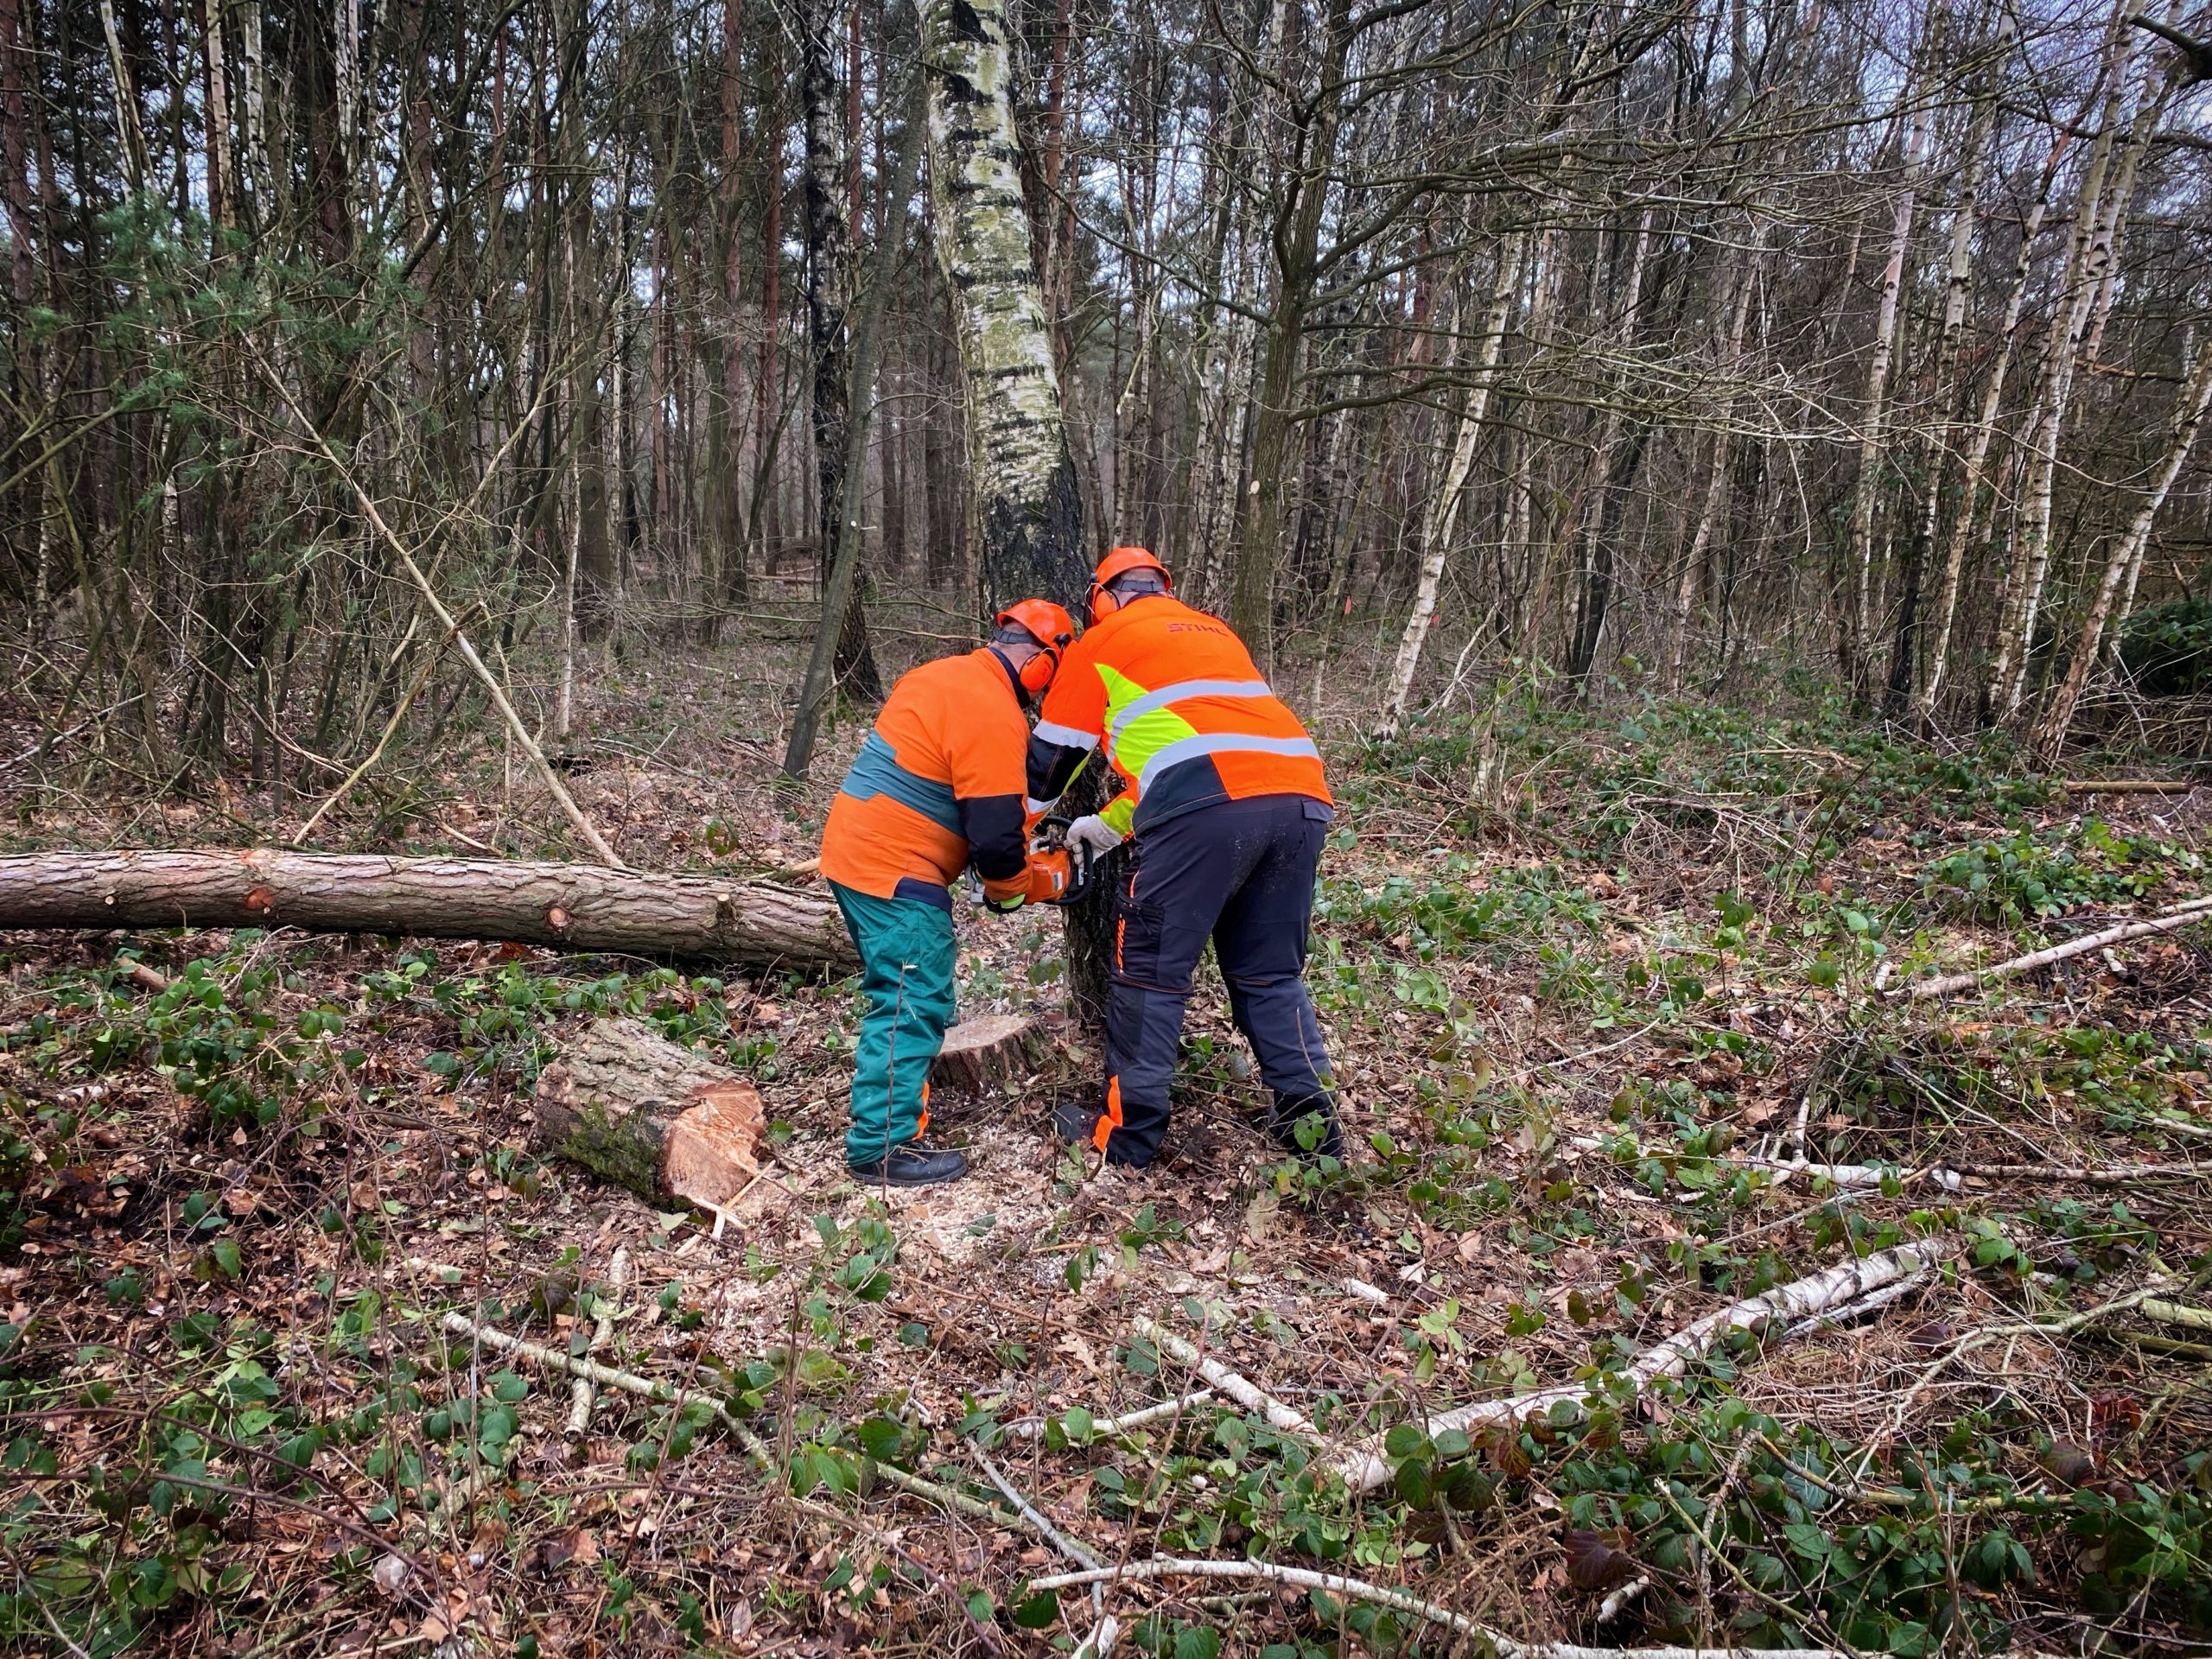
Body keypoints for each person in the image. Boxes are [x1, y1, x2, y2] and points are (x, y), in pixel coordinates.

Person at [1025, 547, 1344, 1168]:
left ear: (1103, 597)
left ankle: (1128, 1136)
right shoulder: (1215, 632)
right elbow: (1199, 744)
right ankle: (1314, 1133)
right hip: (1301, 796)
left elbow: (1055, 756)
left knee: (1150, 969)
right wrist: (1109, 825)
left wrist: (1014, 832)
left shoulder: (1105, 638)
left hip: (1207, 807)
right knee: (1270, 974)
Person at [819, 600, 1078, 1185]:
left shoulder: (940, 675)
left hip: (857, 848)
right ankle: (878, 1148)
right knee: (911, 997)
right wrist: (1026, 885)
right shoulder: (992, 709)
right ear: (1042, 663)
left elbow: (947, 786)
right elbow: (993, 840)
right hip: (894, 866)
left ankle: (894, 1114)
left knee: (909, 990)